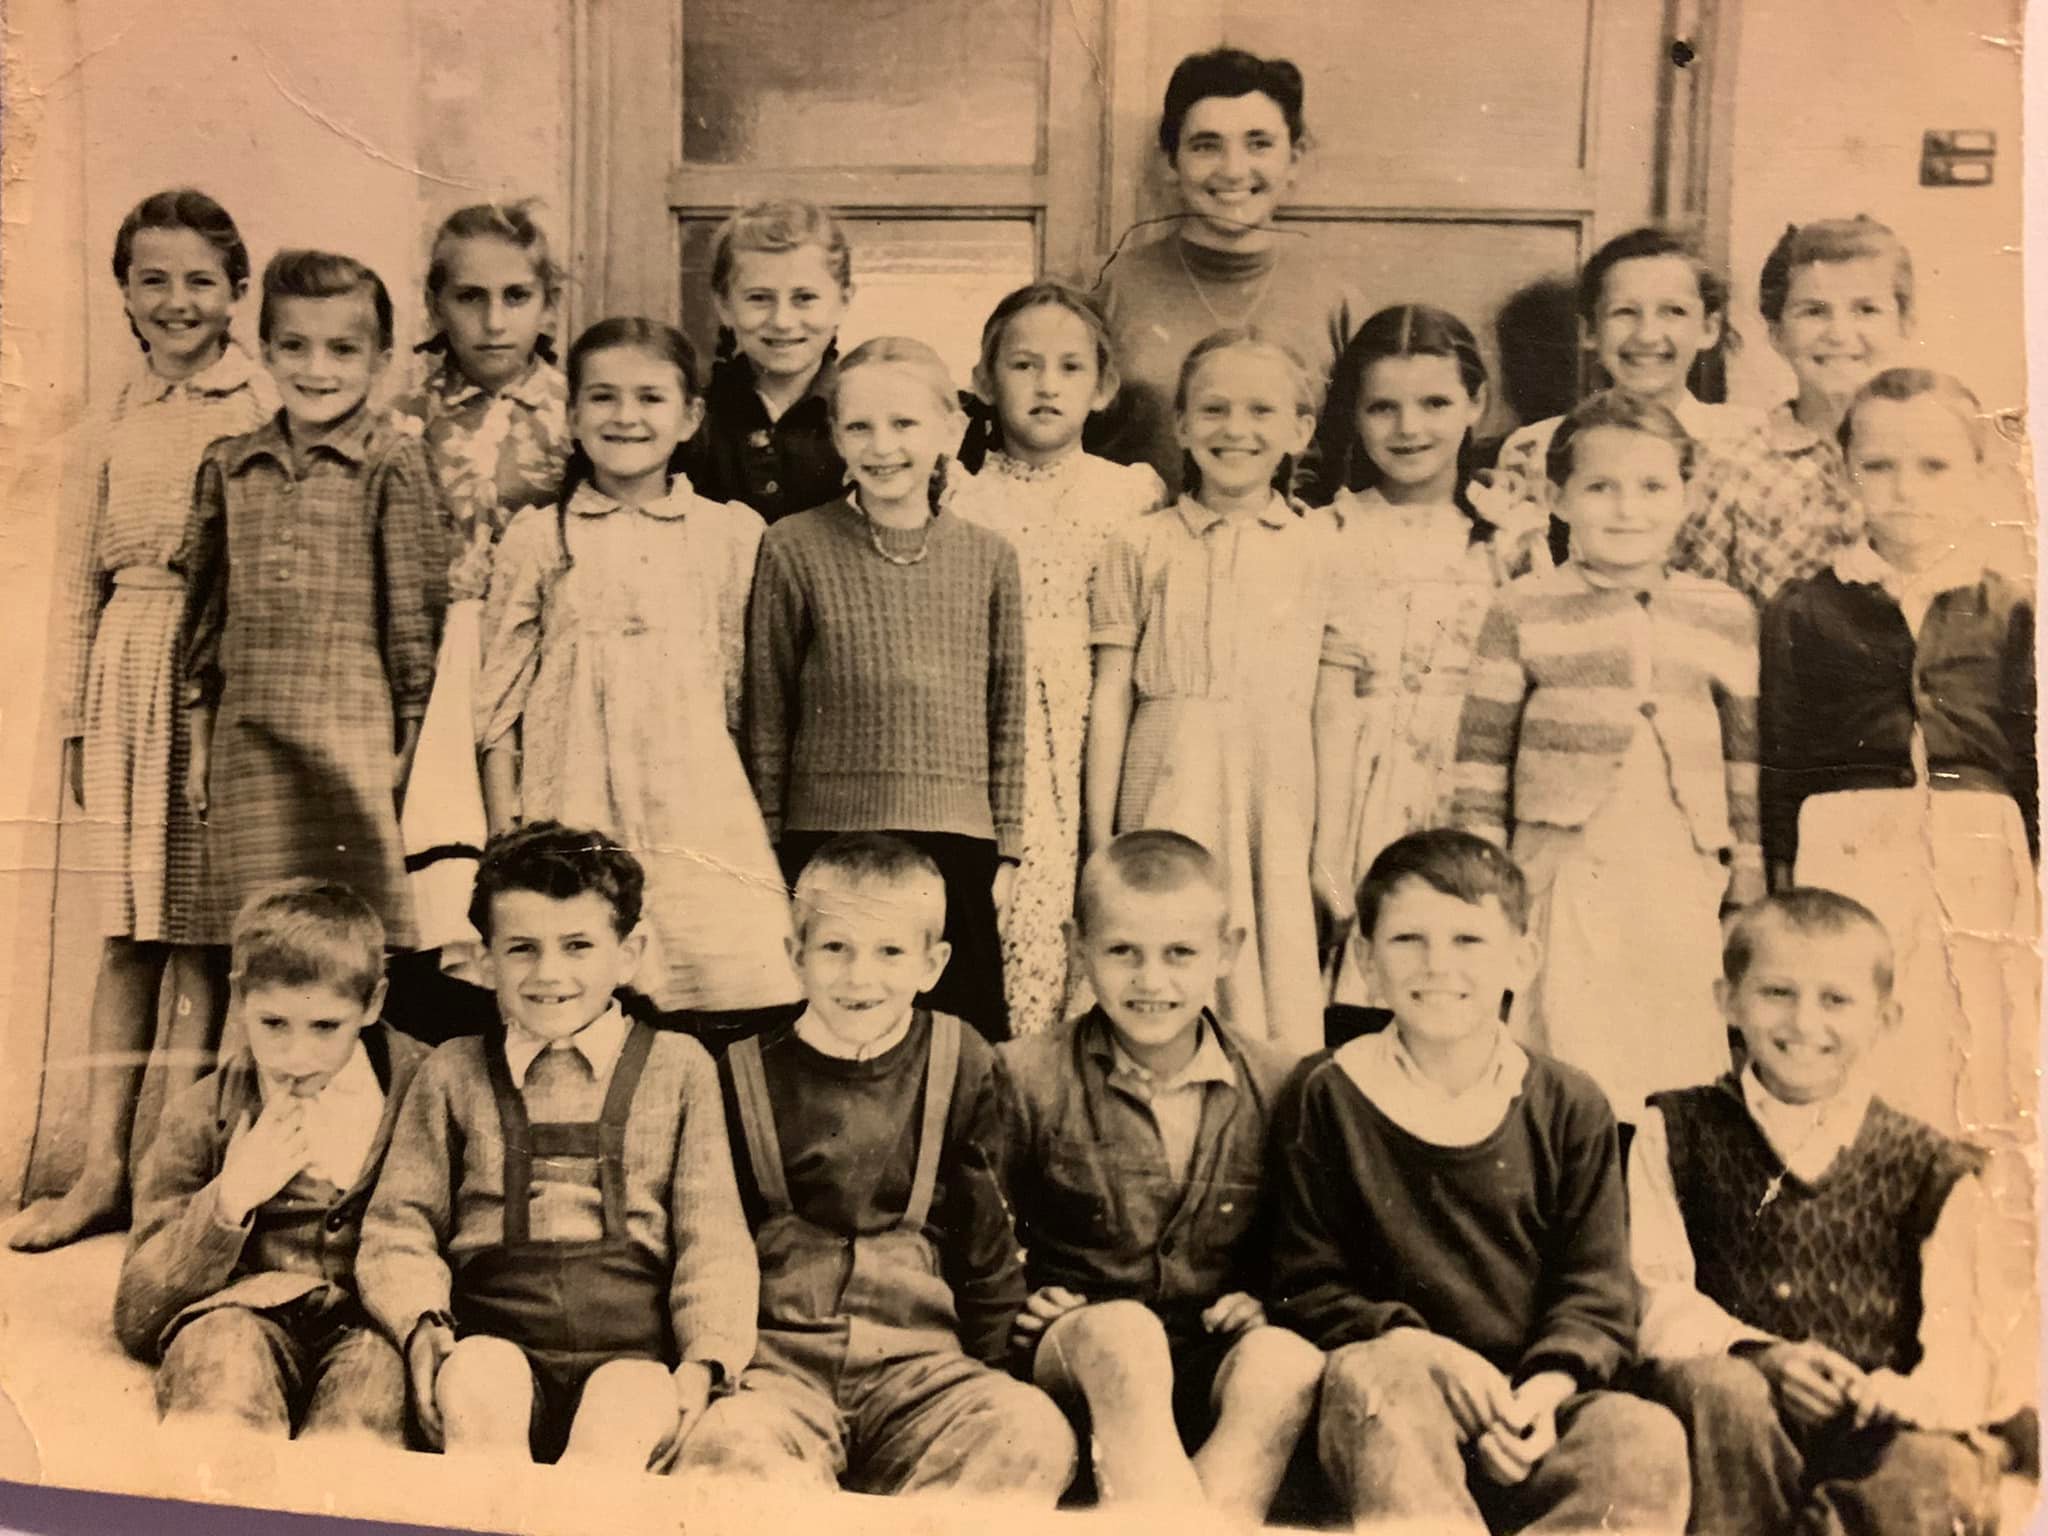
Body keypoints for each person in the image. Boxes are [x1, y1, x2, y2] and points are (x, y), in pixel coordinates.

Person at [1267, 829, 1690, 1533]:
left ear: (1521, 959)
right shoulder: (1326, 1092)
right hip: (1392, 1408)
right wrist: (1424, 1353)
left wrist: (1543, 1394)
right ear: (1366, 962)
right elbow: (1302, 1281)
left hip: (1530, 1409)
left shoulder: (1568, 1103)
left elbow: (1596, 1291)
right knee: (1376, 1382)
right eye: (1408, 941)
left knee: (1641, 1436)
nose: (1439, 966)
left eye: (1468, 941)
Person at [16, 190, 275, 1252]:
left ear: (235, 292)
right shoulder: (109, 423)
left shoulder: (261, 406)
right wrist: (77, 725)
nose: (178, 302)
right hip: (129, 668)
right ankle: (98, 1172)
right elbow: (78, 585)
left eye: (200, 281)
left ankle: (176, 1185)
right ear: (124, 291)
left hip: (216, 677)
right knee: (127, 935)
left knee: (207, 941)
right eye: (153, 280)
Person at [676, 834, 1076, 1500]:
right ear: (794, 956)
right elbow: (707, 1246)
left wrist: (998, 1370)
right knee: (729, 1454)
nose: (861, 977)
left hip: (921, 1365)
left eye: (890, 952)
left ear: (933, 962)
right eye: (835, 948)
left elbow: (986, 1248)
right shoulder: (739, 1072)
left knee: (1029, 1432)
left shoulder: (963, 1059)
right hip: (779, 1368)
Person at [357, 822, 757, 1466]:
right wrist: (420, 1322)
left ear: (628, 954)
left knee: (620, 1419)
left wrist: (706, 1358)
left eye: (578, 946)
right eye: (521, 949)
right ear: (484, 959)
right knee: (483, 1393)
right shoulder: (452, 1072)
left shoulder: (680, 1069)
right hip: (491, 1344)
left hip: (633, 1359)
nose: (550, 973)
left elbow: (713, 1242)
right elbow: (400, 1226)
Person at [1631, 889, 2007, 1535]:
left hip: (1875, 1423)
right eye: (1778, 992)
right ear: (1729, 1001)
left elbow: (1965, 1337)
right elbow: (1654, 1296)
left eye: (1836, 1000)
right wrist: (1763, 1356)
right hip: (1737, 1426)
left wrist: (1898, 1394)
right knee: (1720, 1391)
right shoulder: (1676, 1128)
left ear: (1885, 1019)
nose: (1805, 1024)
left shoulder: (1931, 1166)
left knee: (1938, 1469)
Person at [476, 317, 799, 1013]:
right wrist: (509, 844)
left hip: (702, 821)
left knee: (729, 986)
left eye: (650, 399)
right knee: (580, 993)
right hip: (571, 816)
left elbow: (754, 700)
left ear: (689, 417)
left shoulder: (731, 535)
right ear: (571, 415)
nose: (626, 417)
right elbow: (498, 710)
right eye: (603, 398)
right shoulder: (539, 537)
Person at [1455, 390, 1762, 1121]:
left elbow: (1743, 759)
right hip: (1563, 865)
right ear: (1558, 497)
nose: (1628, 508)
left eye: (1653, 487)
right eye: (1601, 487)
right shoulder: (1523, 607)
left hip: (1677, 863)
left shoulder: (1723, 611)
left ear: (1688, 495)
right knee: (1567, 1048)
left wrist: (1745, 866)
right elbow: (1480, 759)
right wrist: (1482, 878)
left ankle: (1658, 1213)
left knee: (1674, 1054)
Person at [999, 830, 1323, 1520]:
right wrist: (1022, 1301)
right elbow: (975, 1227)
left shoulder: (1279, 1081)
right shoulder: (1025, 1075)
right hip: (1083, 1352)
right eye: (1123, 952)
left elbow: (1308, 1238)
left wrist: (1268, 1300)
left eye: (1180, 954)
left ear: (1227, 951)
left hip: (1210, 1357)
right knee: (1125, 1335)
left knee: (1286, 1363)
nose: (1152, 981)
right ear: (1077, 944)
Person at [1759, 369, 2035, 1143]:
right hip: (1849, 841)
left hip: (1978, 842)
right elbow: (1781, 757)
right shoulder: (1806, 605)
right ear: (1847, 472)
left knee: (1975, 1036)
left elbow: (2030, 757)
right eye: (1879, 466)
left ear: (1980, 473)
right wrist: (1781, 879)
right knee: (1856, 1036)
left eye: (1934, 466)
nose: (1905, 488)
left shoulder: (2011, 606)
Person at [1087, 329, 1365, 1056]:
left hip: (1272, 797)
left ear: (1300, 430)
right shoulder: (1140, 546)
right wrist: (1100, 839)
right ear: (1180, 424)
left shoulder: (1324, 551)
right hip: (1165, 783)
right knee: (1156, 950)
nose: (1234, 430)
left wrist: (1327, 851)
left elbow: (1335, 711)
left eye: (1261, 412)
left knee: (1265, 989)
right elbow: (1112, 696)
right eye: (1212, 410)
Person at [746, 338, 1026, 1039]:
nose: (883, 446)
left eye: (904, 425)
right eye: (859, 426)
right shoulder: (793, 546)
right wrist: (772, 851)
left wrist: (1009, 853)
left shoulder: (991, 558)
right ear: (835, 436)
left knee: (955, 1049)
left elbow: (1008, 711)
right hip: (828, 838)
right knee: (837, 1036)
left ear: (950, 431)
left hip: (956, 844)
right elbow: (768, 711)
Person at [180, 250, 441, 953]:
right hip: (249, 742)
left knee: (350, 941)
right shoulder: (230, 465)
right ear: (264, 349)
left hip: (351, 744)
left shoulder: (392, 461)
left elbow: (414, 622)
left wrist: (407, 748)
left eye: (342, 350)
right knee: (260, 937)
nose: (316, 369)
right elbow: (205, 620)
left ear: (381, 359)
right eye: (294, 346)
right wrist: (201, 746)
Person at [113, 879, 426, 1442]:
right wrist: (229, 1201)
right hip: (239, 1312)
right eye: (273, 1024)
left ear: (373, 1003)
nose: (295, 1057)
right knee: (220, 1373)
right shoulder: (199, 1114)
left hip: (371, 1325)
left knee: (367, 1405)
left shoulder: (425, 1092)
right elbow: (137, 1316)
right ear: (239, 997)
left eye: (325, 1027)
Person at [1310, 304, 1551, 1005]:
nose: (1410, 428)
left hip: (1470, 784)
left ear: (1477, 402)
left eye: (1436, 403)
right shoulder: (1328, 531)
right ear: (1353, 415)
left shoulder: (1512, 538)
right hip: (1358, 791)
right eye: (1383, 407)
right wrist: (1325, 852)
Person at [951, 283, 1164, 1035]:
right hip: (997, 741)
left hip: (1094, 734)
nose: (1046, 384)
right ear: (983, 380)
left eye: (1071, 367)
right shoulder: (959, 497)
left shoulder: (1131, 495)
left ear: (1102, 387)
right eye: (1024, 364)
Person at [388, 200, 571, 1014]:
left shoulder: (579, 410)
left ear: (549, 304)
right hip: (427, 669)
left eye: (517, 297)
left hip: (539, 671)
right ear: (436, 303)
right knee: (432, 873)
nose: (495, 321)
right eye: (470, 298)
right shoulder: (397, 416)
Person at [1093, 47, 1362, 499]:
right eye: (1206, 145)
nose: (1234, 170)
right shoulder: (1111, 292)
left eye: (1259, 143)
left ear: (1293, 160)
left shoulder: (1335, 300)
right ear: (1170, 162)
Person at [1676, 216, 1917, 609]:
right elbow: (1698, 622)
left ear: (1905, 324)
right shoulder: (1729, 468)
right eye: (1814, 311)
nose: (1839, 333)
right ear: (1776, 333)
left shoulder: (1941, 456)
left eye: (1866, 310)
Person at [1493, 226, 1762, 562]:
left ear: (1708, 329)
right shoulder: (1534, 449)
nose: (1647, 335)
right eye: (1624, 312)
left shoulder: (1751, 441)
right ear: (1589, 331)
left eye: (1673, 311)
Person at [682, 198, 854, 523]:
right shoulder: (692, 416)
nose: (783, 321)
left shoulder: (865, 415)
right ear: (724, 306)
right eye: (759, 298)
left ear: (843, 302)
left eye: (804, 298)